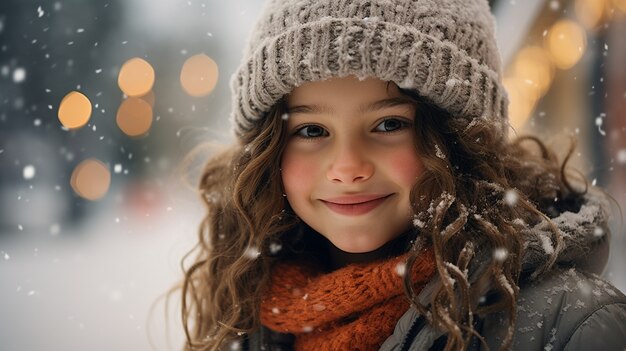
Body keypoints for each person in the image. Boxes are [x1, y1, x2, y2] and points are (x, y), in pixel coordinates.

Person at [179, 0, 626, 350]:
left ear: (460, 141)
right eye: (312, 130)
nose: (348, 167)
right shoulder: (247, 312)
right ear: (268, 151)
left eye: (389, 124)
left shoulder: (569, 326)